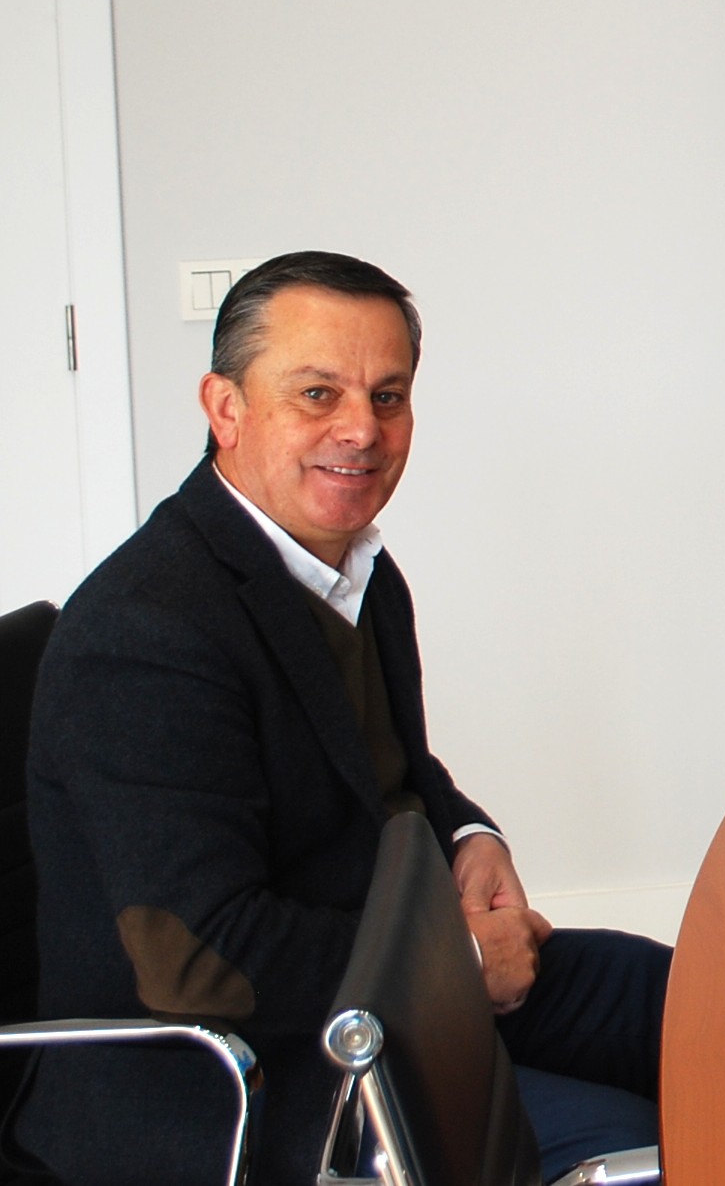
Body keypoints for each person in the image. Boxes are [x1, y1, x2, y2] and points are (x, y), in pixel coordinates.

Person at [20, 253, 671, 1185]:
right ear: (225, 407)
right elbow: (199, 956)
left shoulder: (356, 568)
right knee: (639, 1141)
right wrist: (456, 960)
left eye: (388, 395)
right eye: (317, 393)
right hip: (243, 1071)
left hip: (387, 984)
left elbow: (393, 775)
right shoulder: (146, 630)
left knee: (695, 1003)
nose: (362, 428)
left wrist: (468, 835)